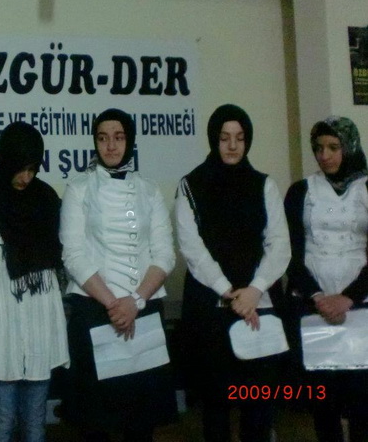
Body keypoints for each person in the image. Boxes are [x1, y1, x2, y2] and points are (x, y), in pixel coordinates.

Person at [175, 104, 291, 442]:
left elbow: (279, 245)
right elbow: (192, 247)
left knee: (259, 405)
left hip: (259, 306)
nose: (232, 145)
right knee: (216, 406)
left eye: (239, 138)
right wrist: (228, 290)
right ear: (214, 139)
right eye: (225, 137)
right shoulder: (191, 185)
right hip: (210, 309)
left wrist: (253, 290)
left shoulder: (264, 185)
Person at [59, 108, 177, 442]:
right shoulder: (79, 188)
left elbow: (165, 254)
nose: (111, 146)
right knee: (96, 423)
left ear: (130, 141)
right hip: (96, 310)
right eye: (103, 138)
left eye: (119, 137)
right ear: (95, 143)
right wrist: (115, 304)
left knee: (141, 423)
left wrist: (135, 301)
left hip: (143, 308)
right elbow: (73, 255)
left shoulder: (149, 190)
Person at [0, 121, 69, 442]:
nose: (26, 177)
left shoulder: (47, 199)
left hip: (39, 325)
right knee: (3, 419)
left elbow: (62, 259)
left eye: (33, 169)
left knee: (35, 422)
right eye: (20, 168)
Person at [284, 116, 368, 442]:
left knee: (362, 402)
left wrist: (348, 297)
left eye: (334, 147)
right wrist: (318, 297)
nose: (325, 155)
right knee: (323, 401)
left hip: (360, 307)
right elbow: (290, 254)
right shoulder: (301, 192)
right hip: (313, 306)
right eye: (318, 148)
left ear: (350, 147)